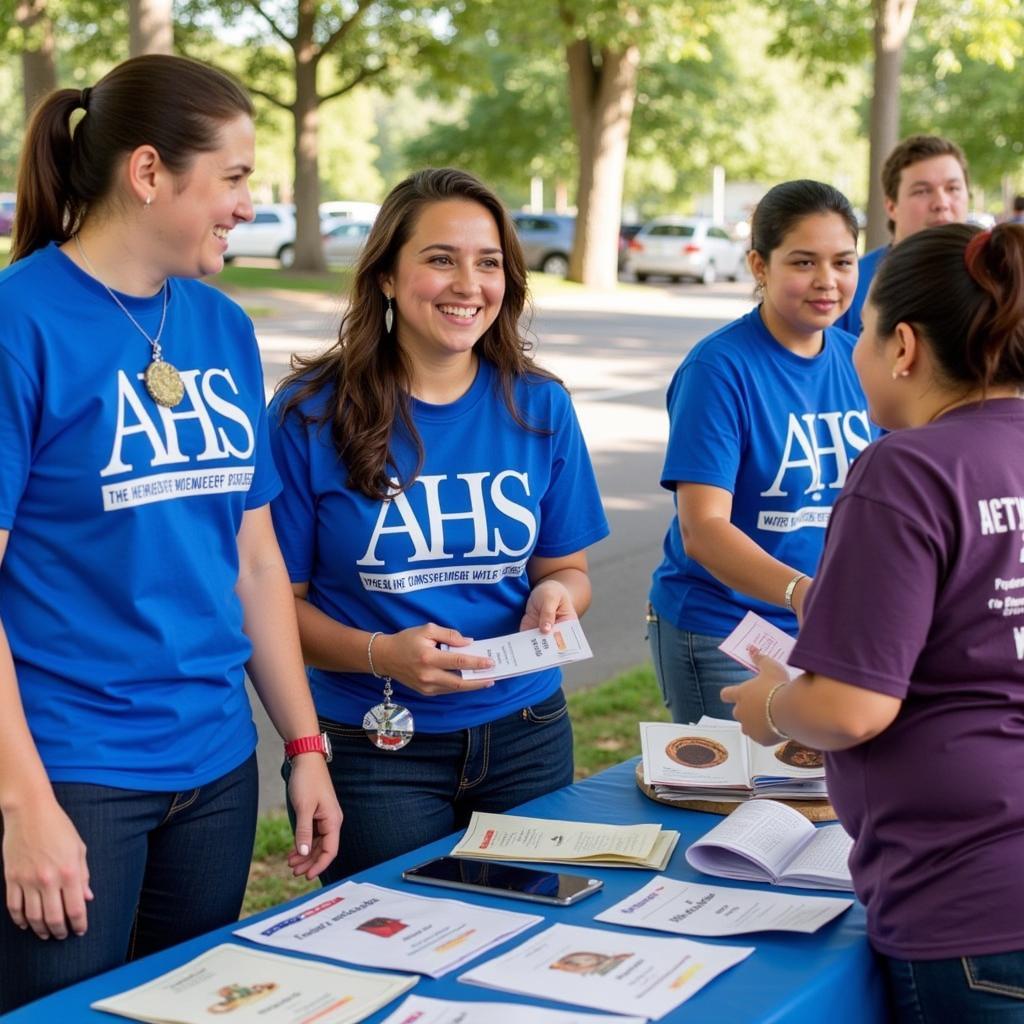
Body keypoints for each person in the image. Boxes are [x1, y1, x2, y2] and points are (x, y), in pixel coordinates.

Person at [0, 55, 341, 1012]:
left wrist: (304, 746)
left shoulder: (222, 327)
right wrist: (24, 807)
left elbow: (255, 556)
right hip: (75, 777)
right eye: (232, 178)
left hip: (217, 771)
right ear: (148, 173)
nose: (247, 205)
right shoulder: (19, 324)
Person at [269, 167, 609, 880]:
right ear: (387, 276)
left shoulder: (540, 406)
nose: (468, 284)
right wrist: (380, 654)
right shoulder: (309, 414)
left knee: (534, 940)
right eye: (440, 259)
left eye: (488, 263)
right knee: (398, 952)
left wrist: (559, 599)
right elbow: (273, 608)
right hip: (376, 746)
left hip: (528, 733)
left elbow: (565, 574)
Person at [723, 222, 1024, 1023]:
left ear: (902, 347)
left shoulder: (907, 467)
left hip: (970, 900)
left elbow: (851, 708)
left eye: (861, 332)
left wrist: (773, 706)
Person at [647, 180, 876, 723]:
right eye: (803, 262)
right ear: (758, 265)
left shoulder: (861, 359)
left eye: (843, 262)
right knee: (743, 803)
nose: (827, 281)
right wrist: (801, 593)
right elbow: (703, 530)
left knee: (819, 800)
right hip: (727, 632)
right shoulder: (718, 370)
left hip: (828, 629)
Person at [836, 134, 969, 336]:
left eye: (953, 188)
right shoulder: (850, 284)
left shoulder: (997, 278)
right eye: (922, 191)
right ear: (891, 206)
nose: (941, 203)